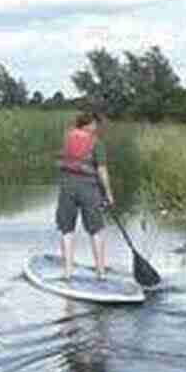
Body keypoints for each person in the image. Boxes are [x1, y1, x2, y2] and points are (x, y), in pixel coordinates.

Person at [56, 111, 115, 280]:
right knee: (96, 230)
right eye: (95, 125)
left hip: (67, 187)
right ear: (88, 125)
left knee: (66, 230)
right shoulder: (96, 143)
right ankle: (101, 272)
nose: (97, 128)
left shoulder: (67, 137)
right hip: (89, 188)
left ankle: (67, 272)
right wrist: (108, 194)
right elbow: (102, 171)